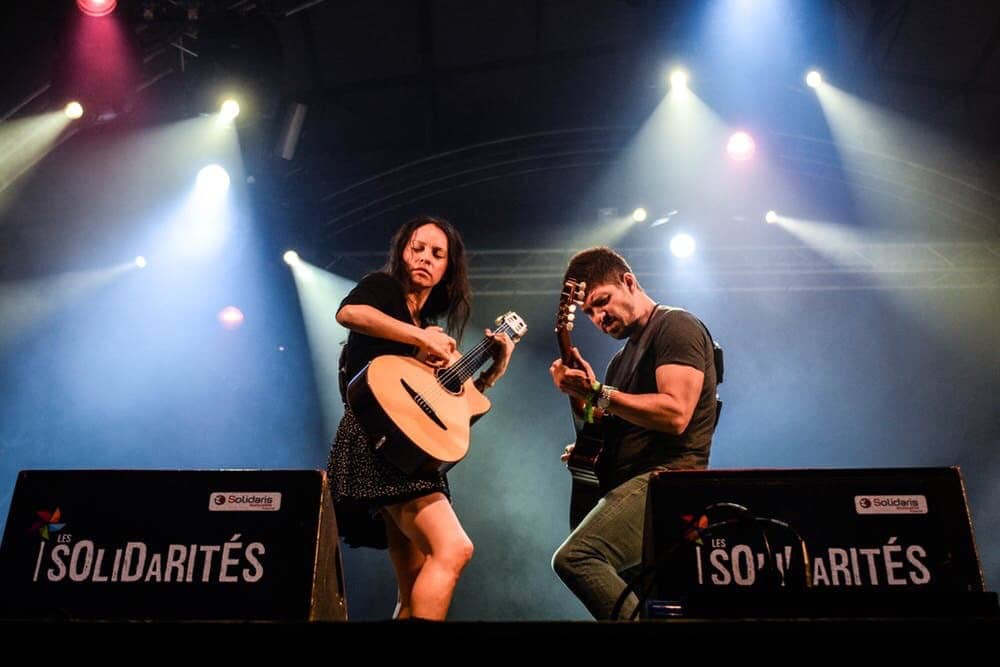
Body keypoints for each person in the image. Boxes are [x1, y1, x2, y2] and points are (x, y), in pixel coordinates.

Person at [329, 216, 516, 621]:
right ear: (401, 251)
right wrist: (419, 337)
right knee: (453, 549)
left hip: (409, 449)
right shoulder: (383, 291)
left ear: (448, 267)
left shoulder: (427, 327)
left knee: (415, 589)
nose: (425, 258)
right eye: (418, 248)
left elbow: (449, 409)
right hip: (378, 440)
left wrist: (490, 374)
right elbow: (348, 313)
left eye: (437, 254)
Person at [548, 246, 719, 620]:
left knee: (577, 559)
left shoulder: (676, 326)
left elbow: (676, 413)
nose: (598, 317)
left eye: (602, 302)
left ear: (629, 281)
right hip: (630, 485)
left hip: (669, 481)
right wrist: (579, 397)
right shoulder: (619, 362)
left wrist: (597, 393)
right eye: (590, 312)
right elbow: (603, 423)